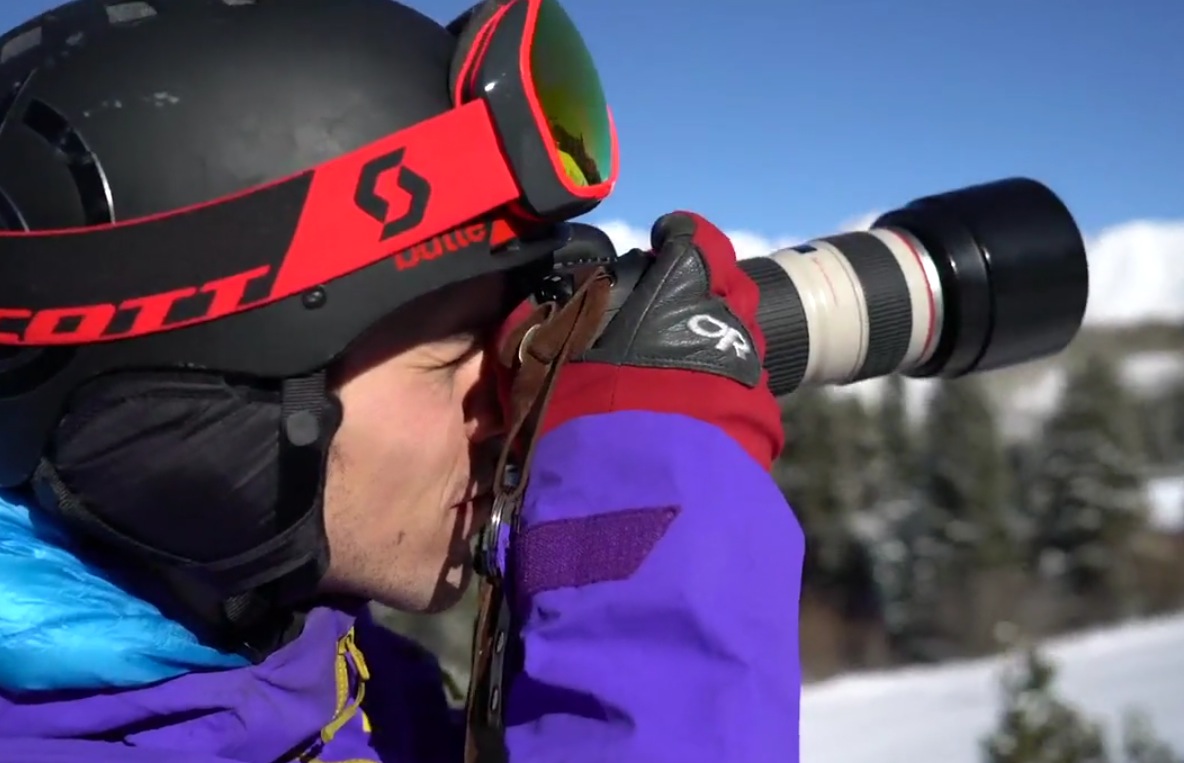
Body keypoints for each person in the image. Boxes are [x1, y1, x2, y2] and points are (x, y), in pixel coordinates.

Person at [0, 0, 803, 760]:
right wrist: (646, 561)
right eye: (457, 350)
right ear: (202, 409)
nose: (506, 410)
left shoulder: (303, 673)